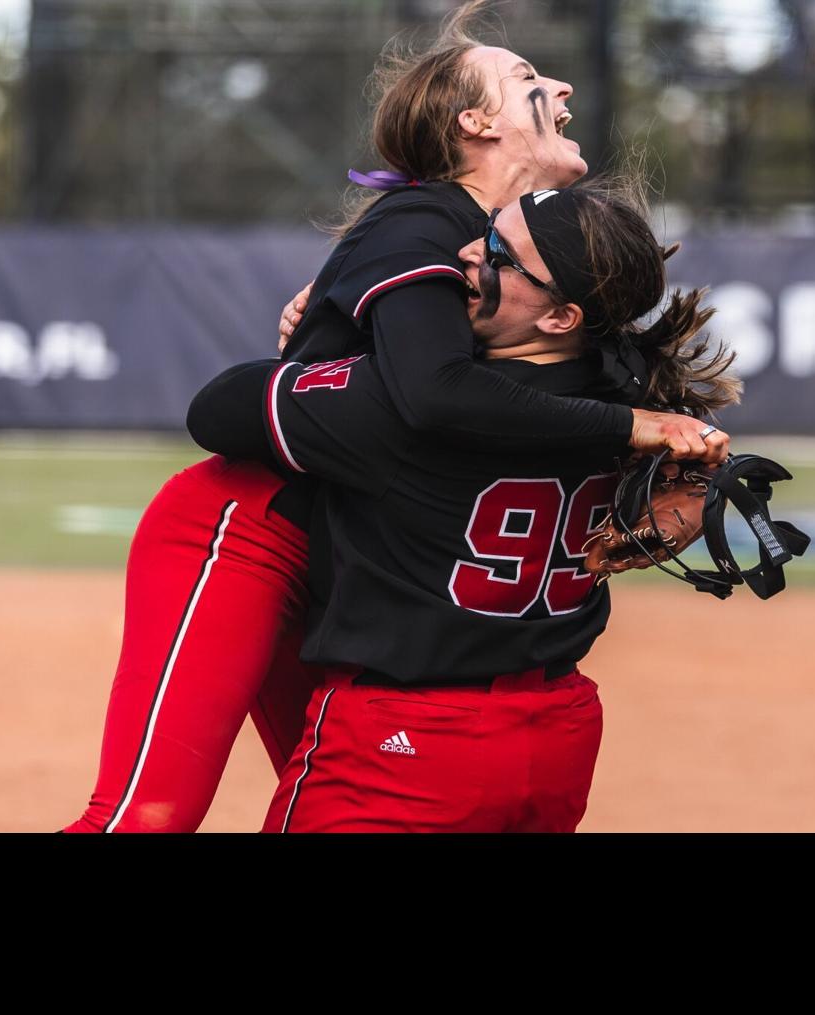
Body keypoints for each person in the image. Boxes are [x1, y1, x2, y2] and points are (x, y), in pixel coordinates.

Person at [62, 3, 726, 833]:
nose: (556, 84)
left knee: (352, 774)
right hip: (255, 527)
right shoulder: (428, 223)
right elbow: (432, 394)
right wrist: (636, 429)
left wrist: (673, 458)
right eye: (525, 79)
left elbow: (566, 374)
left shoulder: (503, 251)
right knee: (149, 816)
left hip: (362, 551)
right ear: (474, 124)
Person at [188, 179, 740, 831]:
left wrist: (342, 337)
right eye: (484, 232)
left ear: (560, 317)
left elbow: (218, 409)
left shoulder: (399, 409)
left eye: (499, 254)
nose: (464, 255)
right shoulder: (639, 398)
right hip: (556, 734)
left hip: (408, 737)